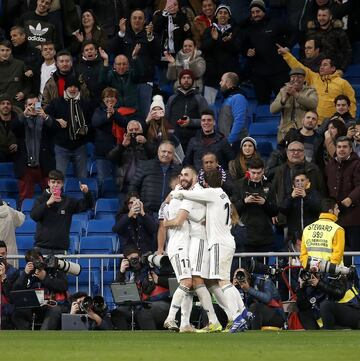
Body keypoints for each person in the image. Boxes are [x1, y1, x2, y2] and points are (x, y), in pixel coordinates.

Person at [171, 168, 252, 333]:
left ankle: (237, 317)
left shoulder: (212, 193)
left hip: (218, 244)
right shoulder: (223, 195)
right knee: (225, 281)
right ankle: (243, 312)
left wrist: (177, 193)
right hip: (227, 241)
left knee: (223, 282)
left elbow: (191, 195)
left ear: (205, 182)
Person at [163, 166, 224, 333]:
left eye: (186, 175)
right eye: (181, 175)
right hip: (183, 244)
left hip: (196, 242)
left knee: (193, 282)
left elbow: (179, 220)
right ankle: (181, 321)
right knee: (190, 283)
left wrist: (166, 223)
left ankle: (184, 322)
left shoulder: (191, 194)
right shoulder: (182, 192)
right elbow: (175, 215)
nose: (182, 178)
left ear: (195, 177)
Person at [277, 44, 356, 124]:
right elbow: (298, 66)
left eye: (325, 65)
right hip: (315, 123)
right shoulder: (313, 77)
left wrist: (349, 120)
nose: (321, 67)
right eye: (321, 65)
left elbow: (351, 102)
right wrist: (286, 54)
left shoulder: (343, 83)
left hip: (335, 123)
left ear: (333, 68)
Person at [241, 0, 295, 104]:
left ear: (264, 11)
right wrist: (247, 52)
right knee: (262, 105)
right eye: (252, 12)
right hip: (259, 75)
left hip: (279, 72)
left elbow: (294, 33)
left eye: (258, 11)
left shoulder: (276, 23)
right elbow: (243, 48)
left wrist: (288, 47)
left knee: (286, 104)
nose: (255, 15)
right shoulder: (248, 29)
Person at [30, 169, 93, 254]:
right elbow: (34, 216)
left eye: (58, 182)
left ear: (62, 184)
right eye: (53, 182)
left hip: (60, 249)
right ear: (49, 183)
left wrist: (87, 193)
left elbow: (87, 205)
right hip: (41, 249)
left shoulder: (68, 201)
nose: (55, 185)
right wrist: (48, 203)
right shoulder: (40, 200)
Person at [111, 245, 171, 330]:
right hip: (139, 305)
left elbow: (174, 282)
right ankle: (125, 340)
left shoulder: (153, 265)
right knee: (117, 313)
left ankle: (151, 340)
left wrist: (159, 280)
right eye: (132, 259)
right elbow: (117, 292)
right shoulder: (130, 273)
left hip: (160, 301)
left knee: (143, 312)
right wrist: (121, 272)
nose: (135, 261)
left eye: (136, 258)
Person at [11, 95, 55, 204]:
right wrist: (24, 114)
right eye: (30, 105)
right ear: (25, 106)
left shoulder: (45, 119)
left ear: (40, 105)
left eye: (35, 105)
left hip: (44, 164)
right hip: (26, 165)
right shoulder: (21, 120)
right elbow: (13, 127)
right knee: (25, 197)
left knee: (52, 195)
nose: (32, 107)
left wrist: (45, 116)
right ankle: (24, 218)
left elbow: (55, 128)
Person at [46, 76, 92, 179]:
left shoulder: (85, 103)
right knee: (58, 178)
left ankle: (82, 195)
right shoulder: (56, 102)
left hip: (80, 146)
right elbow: (45, 117)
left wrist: (85, 129)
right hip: (61, 146)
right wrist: (57, 120)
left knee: (82, 178)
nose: (73, 89)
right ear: (65, 88)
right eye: (70, 86)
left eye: (75, 87)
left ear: (79, 89)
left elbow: (91, 122)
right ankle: (58, 195)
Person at [11, 248, 68, 330]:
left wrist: (45, 278)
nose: (38, 264)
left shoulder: (53, 268)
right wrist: (25, 274)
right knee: (17, 313)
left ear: (42, 258)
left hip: (51, 304)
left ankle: (43, 336)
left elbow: (64, 286)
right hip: (33, 306)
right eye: (35, 262)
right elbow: (15, 291)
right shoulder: (28, 274)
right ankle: (26, 336)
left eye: (39, 260)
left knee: (55, 310)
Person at [232, 158, 278, 252]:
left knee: (263, 266)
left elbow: (275, 211)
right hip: (245, 235)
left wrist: (264, 203)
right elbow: (233, 210)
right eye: (253, 173)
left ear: (263, 171)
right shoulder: (239, 185)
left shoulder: (269, 186)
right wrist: (245, 201)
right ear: (248, 171)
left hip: (264, 236)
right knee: (245, 266)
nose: (256, 176)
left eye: (259, 173)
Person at [201, 4, 241, 105]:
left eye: (225, 13)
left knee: (231, 105)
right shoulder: (209, 30)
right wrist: (213, 40)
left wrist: (228, 42)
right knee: (209, 105)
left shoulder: (235, 30)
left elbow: (238, 49)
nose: (223, 15)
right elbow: (204, 48)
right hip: (212, 74)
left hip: (229, 74)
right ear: (216, 15)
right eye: (220, 13)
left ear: (229, 16)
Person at [325, 137, 360, 251]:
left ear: (351, 149)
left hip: (354, 216)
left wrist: (350, 198)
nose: (341, 149)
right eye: (339, 147)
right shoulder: (330, 165)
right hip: (335, 217)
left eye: (345, 147)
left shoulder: (357, 164)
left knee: (354, 253)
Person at [128, 141, 182, 215]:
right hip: (147, 212)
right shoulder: (145, 165)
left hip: (169, 213)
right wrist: (134, 198)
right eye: (164, 151)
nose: (166, 154)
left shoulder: (179, 171)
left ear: (173, 155)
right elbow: (133, 186)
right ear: (158, 152)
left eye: (169, 152)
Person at [91, 87, 127, 189]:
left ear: (116, 99)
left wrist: (114, 114)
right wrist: (107, 116)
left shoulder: (121, 111)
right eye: (107, 97)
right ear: (103, 99)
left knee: (119, 181)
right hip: (102, 153)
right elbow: (95, 123)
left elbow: (125, 123)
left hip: (118, 152)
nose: (110, 100)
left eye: (112, 97)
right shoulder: (98, 111)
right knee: (102, 181)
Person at [270, 67, 318, 143]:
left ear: (304, 79)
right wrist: (283, 100)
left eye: (299, 77)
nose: (296, 79)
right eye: (293, 77)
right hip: (285, 133)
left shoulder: (310, 91)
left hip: (305, 132)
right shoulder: (283, 91)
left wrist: (296, 95)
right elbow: (272, 110)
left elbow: (313, 104)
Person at [166, 69, 208, 151]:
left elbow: (207, 120)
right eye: (183, 78)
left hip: (194, 140)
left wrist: (191, 122)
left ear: (192, 80)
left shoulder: (200, 99)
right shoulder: (172, 99)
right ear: (179, 80)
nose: (186, 80)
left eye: (189, 78)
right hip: (174, 139)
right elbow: (166, 119)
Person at [98, 47, 142, 123]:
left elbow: (139, 74)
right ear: (114, 66)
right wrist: (105, 61)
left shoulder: (131, 74)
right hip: (117, 111)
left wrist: (135, 57)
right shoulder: (111, 75)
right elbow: (102, 82)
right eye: (119, 64)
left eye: (124, 64)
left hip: (132, 111)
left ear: (128, 65)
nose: (121, 67)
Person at [300, 198, 345, 268]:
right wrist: (329, 269)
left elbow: (303, 254)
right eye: (337, 209)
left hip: (311, 271)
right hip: (330, 273)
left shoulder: (307, 229)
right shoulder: (337, 229)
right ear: (330, 211)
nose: (339, 211)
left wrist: (309, 267)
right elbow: (337, 254)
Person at [279, 170, 322, 244]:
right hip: (293, 235)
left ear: (307, 181)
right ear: (294, 183)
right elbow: (282, 209)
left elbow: (318, 208)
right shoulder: (289, 195)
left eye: (302, 180)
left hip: (312, 234)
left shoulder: (314, 194)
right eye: (297, 181)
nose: (300, 183)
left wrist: (305, 197)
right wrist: (291, 197)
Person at [107, 120, 150, 194]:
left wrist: (146, 143)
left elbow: (155, 155)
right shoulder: (123, 146)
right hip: (125, 186)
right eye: (131, 130)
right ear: (126, 132)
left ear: (141, 131)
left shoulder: (147, 144)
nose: (134, 132)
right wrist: (122, 146)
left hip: (143, 186)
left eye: (136, 129)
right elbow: (110, 158)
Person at [305, 6, 352, 73]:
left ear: (330, 17)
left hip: (334, 70)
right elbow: (307, 51)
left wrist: (342, 69)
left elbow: (347, 52)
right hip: (315, 70)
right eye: (319, 15)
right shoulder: (311, 32)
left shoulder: (339, 32)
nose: (321, 18)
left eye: (324, 15)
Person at [144, 94, 184, 164]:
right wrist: (147, 120)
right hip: (151, 161)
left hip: (168, 161)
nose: (157, 113)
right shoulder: (146, 126)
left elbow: (177, 147)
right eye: (154, 110)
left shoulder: (169, 126)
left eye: (159, 110)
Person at [218, 72, 250, 146]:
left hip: (236, 144)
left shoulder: (238, 97)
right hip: (226, 142)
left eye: (222, 80)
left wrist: (229, 141)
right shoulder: (227, 98)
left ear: (228, 82)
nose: (220, 83)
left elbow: (239, 122)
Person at [10, 25, 42, 95]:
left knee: (38, 106)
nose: (12, 39)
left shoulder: (36, 52)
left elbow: (41, 68)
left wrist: (33, 71)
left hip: (35, 93)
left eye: (14, 35)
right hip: (17, 93)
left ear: (23, 36)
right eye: (11, 36)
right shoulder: (10, 53)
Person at [0, 40, 31, 109]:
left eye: (7, 50)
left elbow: (29, 84)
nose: (5, 53)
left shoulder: (20, 64)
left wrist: (23, 93)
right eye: (2, 50)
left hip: (16, 105)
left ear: (11, 51)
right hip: (1, 106)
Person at [75, 40, 104, 106]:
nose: (89, 51)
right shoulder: (78, 67)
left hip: (101, 101)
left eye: (91, 49)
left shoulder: (103, 65)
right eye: (86, 50)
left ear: (96, 51)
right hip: (84, 102)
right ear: (83, 53)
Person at [0, 240, 20, 329]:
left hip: (6, 307)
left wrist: (3, 276)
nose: (1, 257)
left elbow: (11, 297)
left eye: (3, 254)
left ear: (6, 254)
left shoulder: (14, 272)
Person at [0, 200, 25, 267]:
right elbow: (21, 219)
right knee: (12, 275)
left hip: (8, 253)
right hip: (10, 253)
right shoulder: (10, 211)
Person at [0, 95, 18, 163]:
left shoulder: (18, 120)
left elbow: (25, 137)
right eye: (3, 103)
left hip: (16, 153)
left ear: (11, 106)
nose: (5, 106)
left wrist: (17, 144)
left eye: (8, 103)